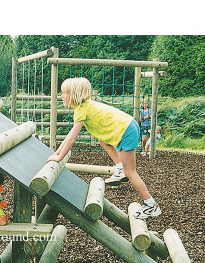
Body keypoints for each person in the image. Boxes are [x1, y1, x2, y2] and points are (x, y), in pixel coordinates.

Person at [47, 77, 161, 219]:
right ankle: (119, 168)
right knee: (102, 141)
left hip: (127, 130)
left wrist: (59, 157)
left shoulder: (82, 110)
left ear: (74, 94)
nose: (62, 96)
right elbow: (70, 135)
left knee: (130, 172)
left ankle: (151, 205)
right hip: (128, 126)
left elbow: (71, 139)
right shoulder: (85, 106)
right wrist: (57, 152)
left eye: (64, 92)